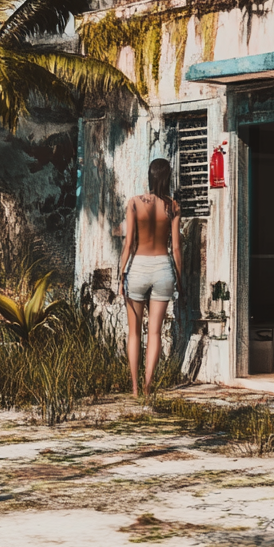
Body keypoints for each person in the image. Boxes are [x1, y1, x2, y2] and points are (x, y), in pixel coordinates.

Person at [118, 158, 181, 399]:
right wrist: (180, 280)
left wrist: (121, 274)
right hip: (163, 268)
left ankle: (134, 389)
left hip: (138, 267)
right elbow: (176, 248)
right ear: (168, 177)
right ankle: (147, 386)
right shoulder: (173, 206)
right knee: (154, 333)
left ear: (150, 176)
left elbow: (128, 243)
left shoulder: (134, 203)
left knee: (134, 333)